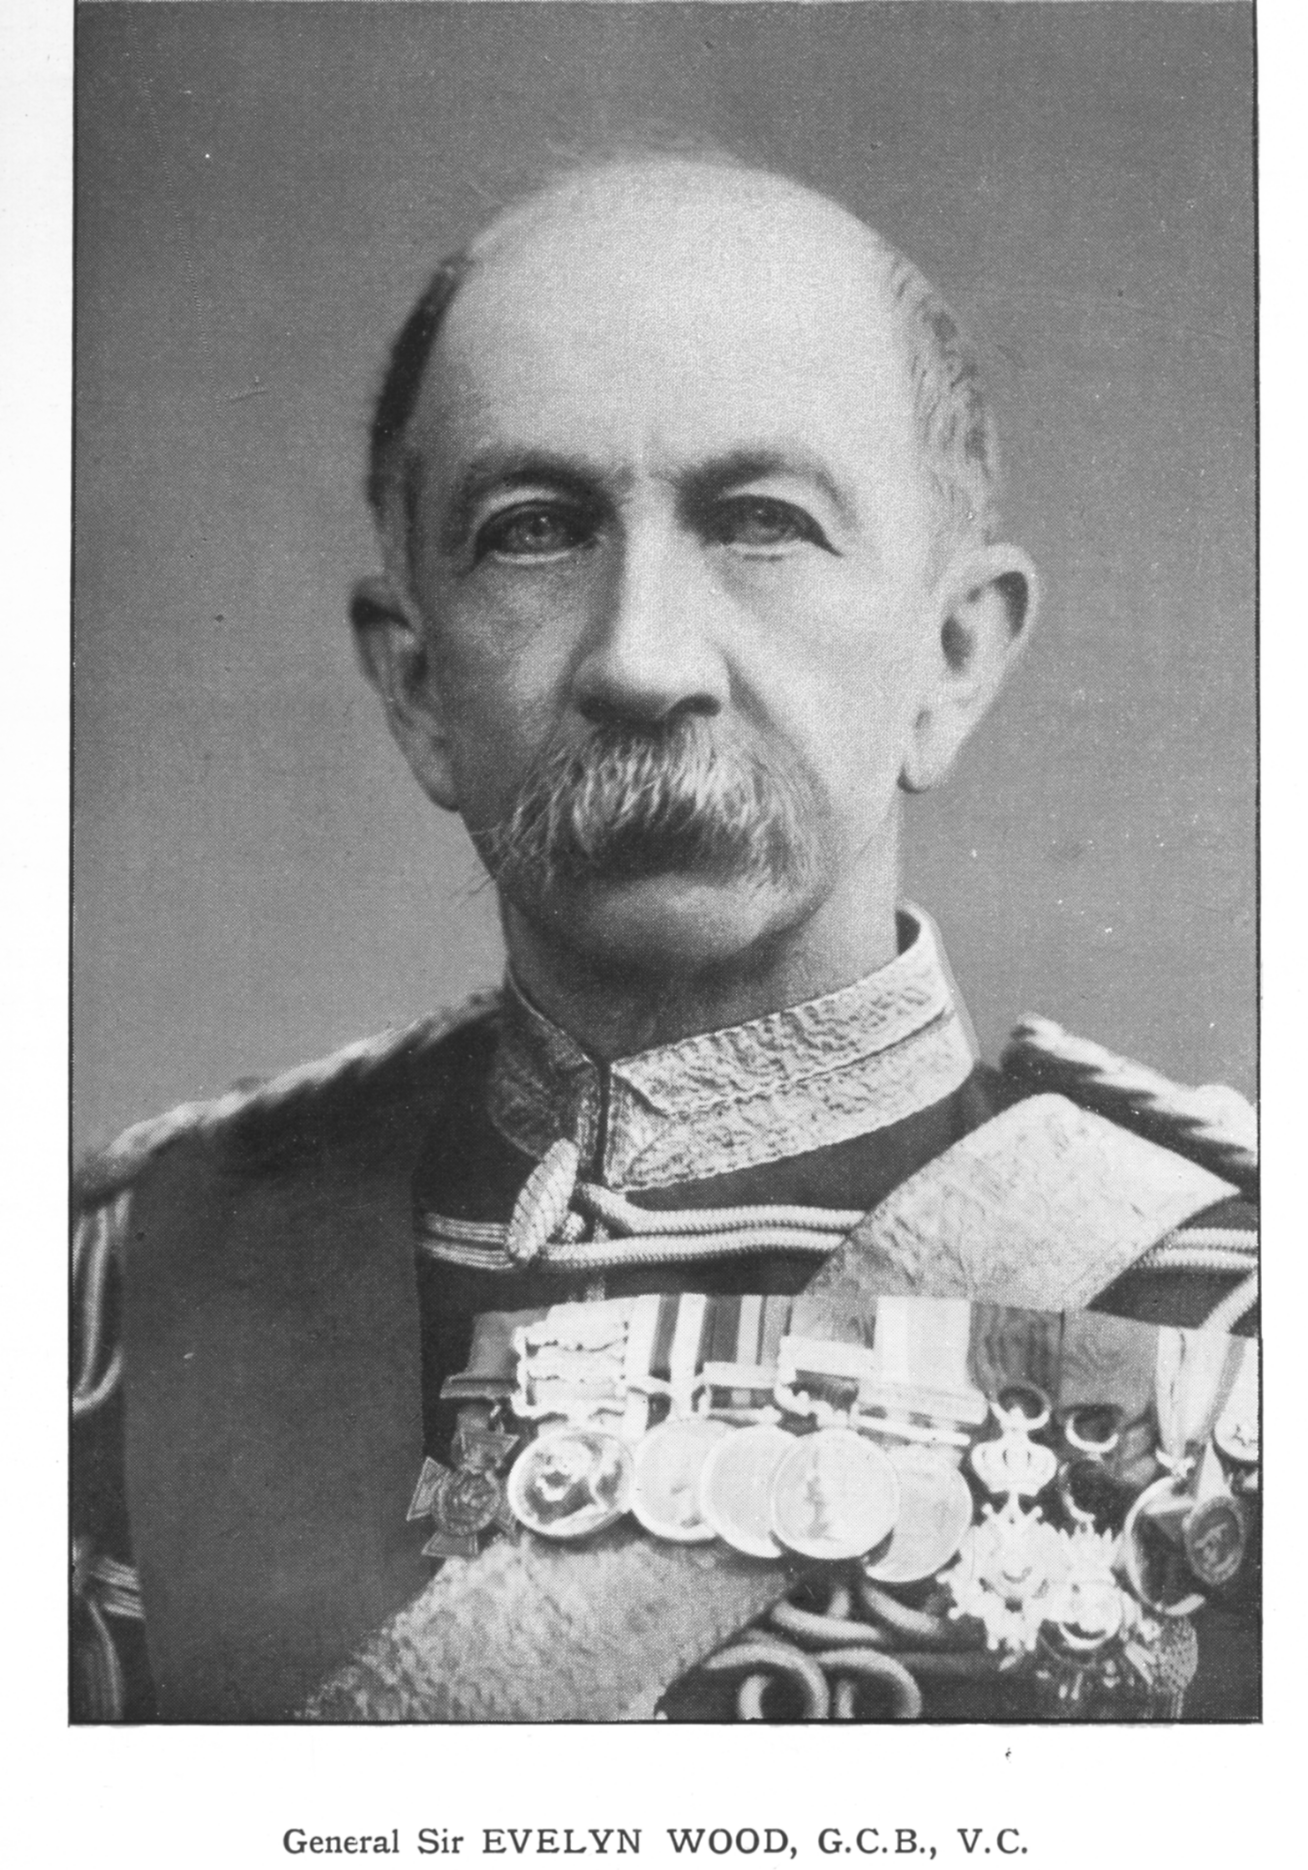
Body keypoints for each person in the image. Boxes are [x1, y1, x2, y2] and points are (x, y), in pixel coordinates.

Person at [72, 150, 1258, 1724]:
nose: (643, 661)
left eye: (762, 524)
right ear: (417, 688)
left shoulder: (1237, 1303)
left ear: (953, 657)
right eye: (533, 531)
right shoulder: (125, 1282)